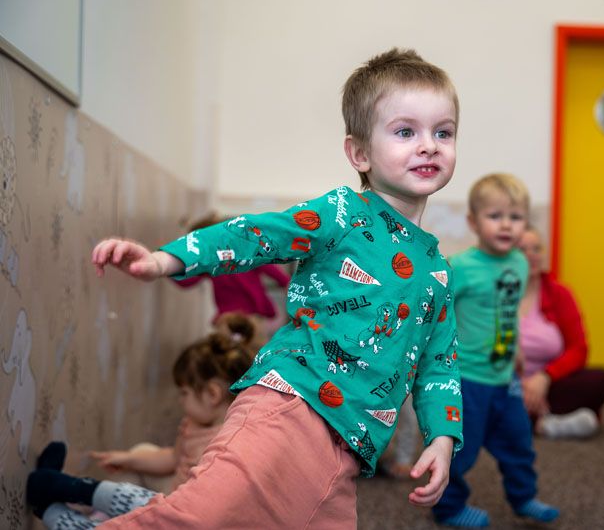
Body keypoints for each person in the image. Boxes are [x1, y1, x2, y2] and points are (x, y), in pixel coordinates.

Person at [86, 48, 463, 529]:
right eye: (406, 131)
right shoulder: (344, 213)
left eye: (443, 132)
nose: (429, 145)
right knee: (194, 519)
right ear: (360, 153)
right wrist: (165, 259)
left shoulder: (437, 271)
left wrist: (442, 438)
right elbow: (258, 234)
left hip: (348, 452)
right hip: (288, 407)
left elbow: (440, 362)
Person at [26, 313, 258, 528]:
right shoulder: (194, 422)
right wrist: (128, 459)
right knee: (141, 453)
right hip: (173, 493)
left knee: (130, 503)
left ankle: (58, 511)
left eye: (184, 393)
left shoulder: (226, 447)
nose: (180, 401)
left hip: (179, 516)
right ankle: (78, 499)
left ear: (212, 394)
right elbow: (173, 458)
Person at [432, 173, 559, 527]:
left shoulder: (519, 263)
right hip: (467, 379)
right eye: (495, 216)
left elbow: (509, 310)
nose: (506, 225)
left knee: (519, 443)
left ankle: (524, 497)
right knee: (460, 450)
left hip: (506, 377)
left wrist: (516, 349)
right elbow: (436, 315)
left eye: (515, 217)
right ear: (473, 222)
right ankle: (448, 507)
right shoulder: (460, 267)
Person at [516, 227, 604, 439]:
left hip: (551, 383)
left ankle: (528, 418)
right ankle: (543, 423)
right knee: (472, 391)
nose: (531, 255)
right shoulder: (493, 294)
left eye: (537, 249)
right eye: (523, 249)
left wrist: (544, 377)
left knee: (600, 380)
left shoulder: (560, 293)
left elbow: (579, 349)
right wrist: (520, 385)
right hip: (506, 384)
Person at [173, 211, 291, 346]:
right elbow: (281, 278)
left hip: (229, 318)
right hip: (250, 316)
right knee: (254, 353)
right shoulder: (247, 251)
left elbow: (185, 282)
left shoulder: (210, 260)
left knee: (227, 351)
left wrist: (169, 265)